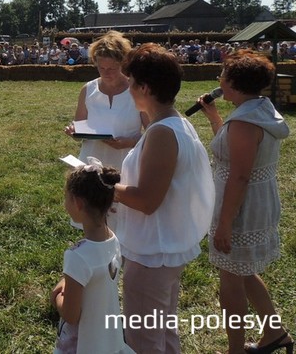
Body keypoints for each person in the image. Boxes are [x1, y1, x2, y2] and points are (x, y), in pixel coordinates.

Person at [111, 43, 214, 353]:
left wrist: (101, 184)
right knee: (164, 334)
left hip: (152, 252)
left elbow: (147, 200)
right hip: (164, 247)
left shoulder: (161, 132)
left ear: (144, 87)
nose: (128, 89)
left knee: (144, 341)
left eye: (131, 82)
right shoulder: (177, 123)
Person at [195, 50, 291, 354]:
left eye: (222, 74)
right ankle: (275, 333)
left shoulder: (244, 123)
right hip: (252, 202)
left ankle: (235, 349)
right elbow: (231, 151)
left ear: (233, 83)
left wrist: (224, 224)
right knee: (244, 270)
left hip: (240, 209)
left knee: (231, 280)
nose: (218, 79)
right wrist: (215, 119)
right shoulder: (257, 110)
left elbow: (239, 177)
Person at [51, 160, 134, 354]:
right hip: (107, 339)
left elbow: (71, 315)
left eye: (66, 198)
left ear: (78, 203)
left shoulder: (78, 257)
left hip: (84, 344)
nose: (65, 203)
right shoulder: (113, 239)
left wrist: (56, 296)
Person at [65, 31, 145, 172]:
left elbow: (153, 133)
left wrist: (130, 142)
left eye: (112, 69)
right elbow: (79, 128)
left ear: (123, 64)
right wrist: (74, 131)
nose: (106, 73)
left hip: (126, 165)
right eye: (101, 68)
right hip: (91, 164)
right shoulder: (88, 90)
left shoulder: (137, 91)